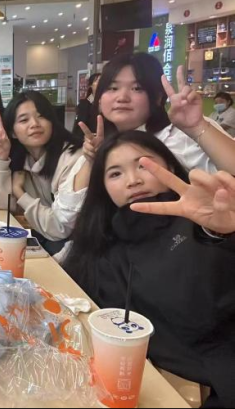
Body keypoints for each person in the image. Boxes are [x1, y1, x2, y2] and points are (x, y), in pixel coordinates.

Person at [64, 130, 235, 408]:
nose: (133, 180)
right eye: (115, 174)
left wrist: (225, 234)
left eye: (144, 165)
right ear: (103, 188)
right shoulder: (102, 241)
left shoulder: (203, 221)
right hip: (139, 379)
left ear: (170, 167)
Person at [77, 53, 235, 179]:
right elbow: (68, 207)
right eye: (113, 88)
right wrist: (93, 161)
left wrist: (197, 127)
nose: (122, 97)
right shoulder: (99, 143)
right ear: (99, 98)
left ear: (158, 97)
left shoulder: (180, 135)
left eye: (137, 88)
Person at [0, 91, 85, 255]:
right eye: (24, 120)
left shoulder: (72, 158)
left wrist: (20, 193)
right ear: (12, 132)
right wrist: (1, 156)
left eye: (42, 116)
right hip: (43, 237)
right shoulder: (22, 158)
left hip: (76, 248)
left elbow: (60, 229)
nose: (35, 124)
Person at [72, 73, 101, 140]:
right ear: (90, 85)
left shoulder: (109, 102)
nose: (100, 83)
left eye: (102, 81)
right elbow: (79, 128)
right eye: (97, 80)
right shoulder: (85, 103)